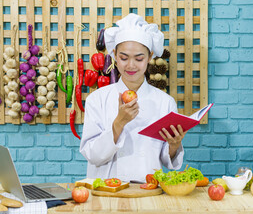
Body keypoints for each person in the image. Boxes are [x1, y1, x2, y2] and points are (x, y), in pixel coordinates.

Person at [79, 13, 186, 183]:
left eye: (139, 58)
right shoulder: (97, 99)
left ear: (150, 57)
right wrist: (119, 123)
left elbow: (167, 160)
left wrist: (174, 144)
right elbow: (92, 155)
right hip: (107, 192)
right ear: (114, 55)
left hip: (148, 193)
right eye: (123, 58)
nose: (130, 65)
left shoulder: (165, 102)